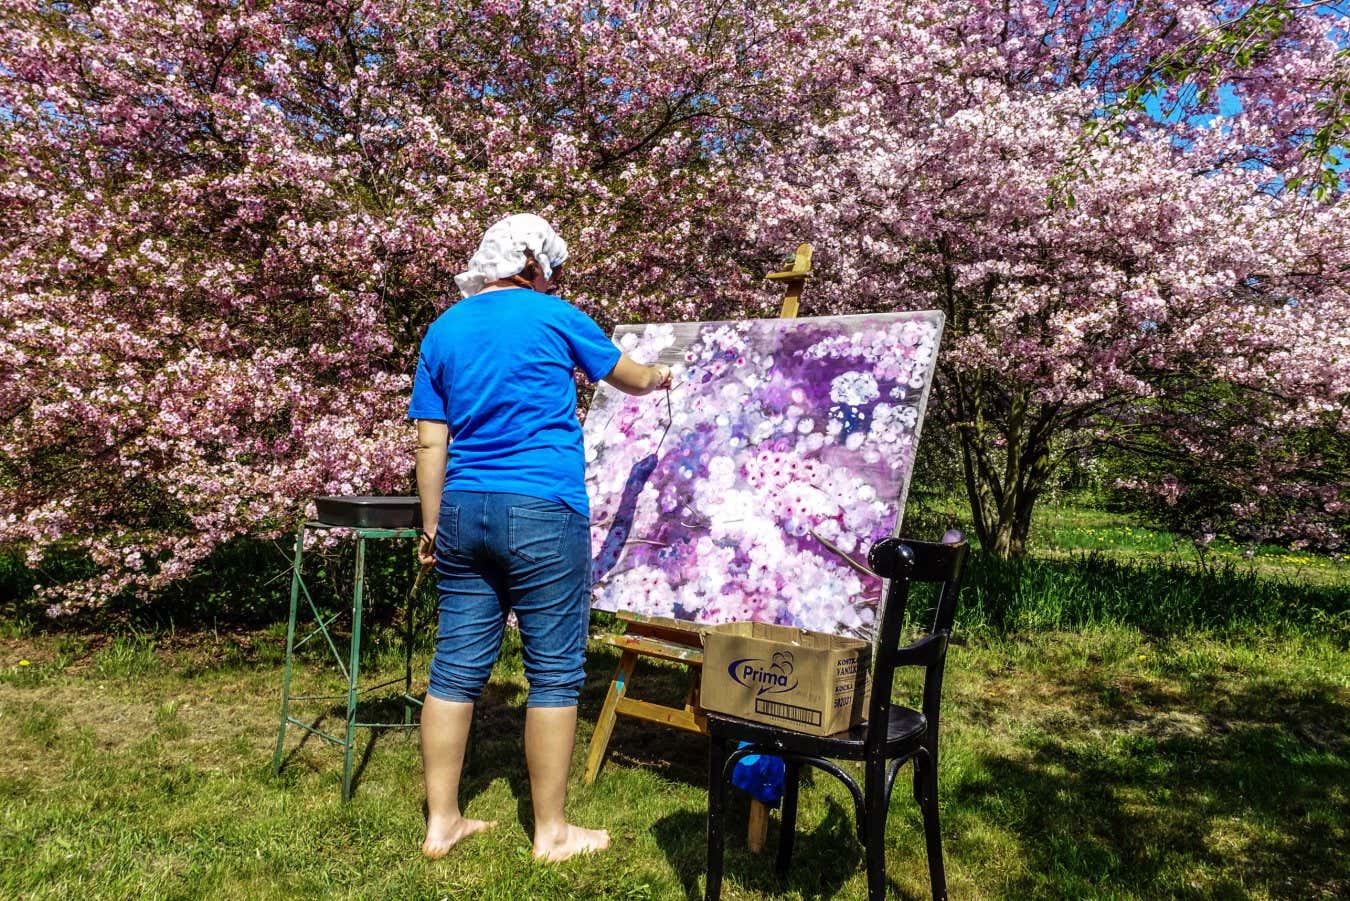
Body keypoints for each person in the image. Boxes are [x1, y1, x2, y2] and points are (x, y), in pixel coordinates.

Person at [408, 213, 671, 862]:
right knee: (553, 671)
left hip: (464, 511)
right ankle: (550, 832)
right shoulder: (553, 316)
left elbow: (430, 438)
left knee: (455, 666)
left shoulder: (445, 328)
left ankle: (441, 821)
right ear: (534, 266)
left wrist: (431, 522)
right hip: (542, 508)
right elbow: (629, 377)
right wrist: (663, 376)